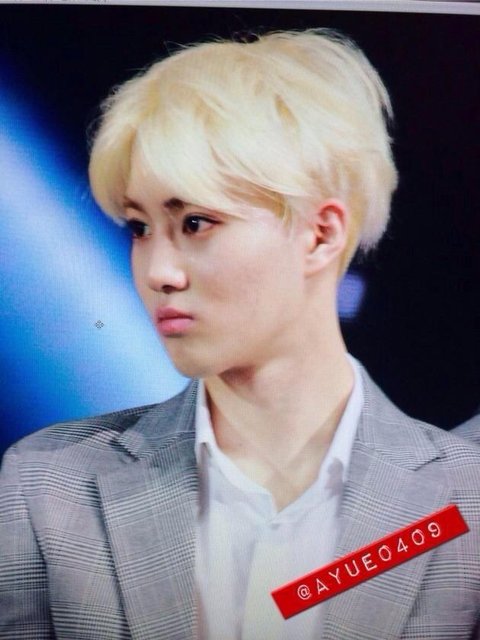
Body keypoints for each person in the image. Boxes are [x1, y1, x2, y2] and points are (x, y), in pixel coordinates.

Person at [1, 28, 479, 640]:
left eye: (196, 223)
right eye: (140, 228)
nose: (158, 272)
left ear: (320, 234)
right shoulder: (51, 485)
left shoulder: (467, 495)